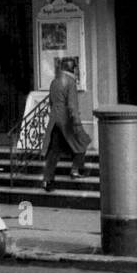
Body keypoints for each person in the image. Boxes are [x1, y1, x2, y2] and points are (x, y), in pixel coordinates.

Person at [41, 58, 90, 192]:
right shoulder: (70, 82)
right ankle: (76, 170)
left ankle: (47, 180)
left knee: (54, 152)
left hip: (55, 119)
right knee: (83, 142)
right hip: (67, 121)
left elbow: (51, 102)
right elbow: (72, 105)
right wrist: (77, 123)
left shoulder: (54, 81)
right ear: (72, 69)